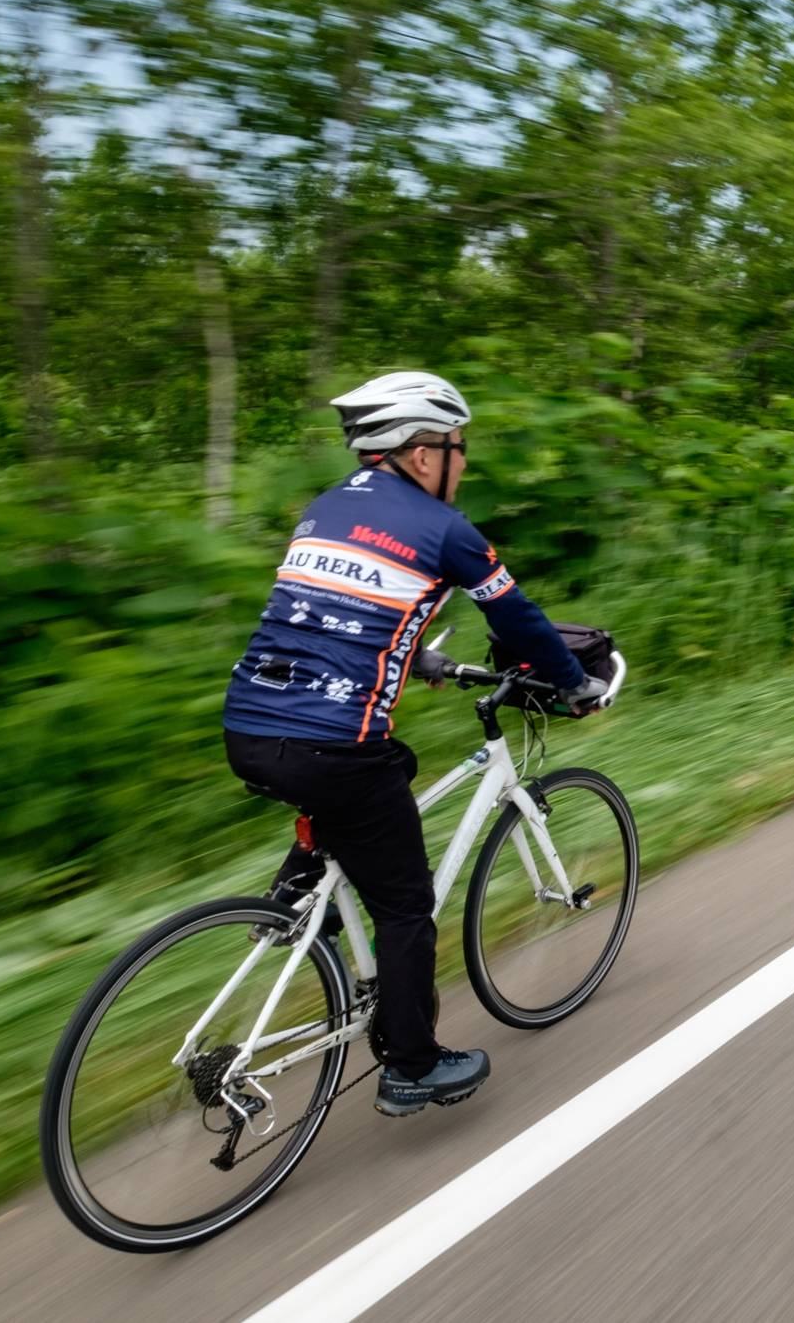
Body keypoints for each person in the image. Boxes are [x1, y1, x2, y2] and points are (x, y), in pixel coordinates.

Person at [222, 370, 608, 1118]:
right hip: (331, 744)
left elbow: (332, 616)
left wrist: (416, 657)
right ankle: (413, 1064)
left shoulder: (325, 508)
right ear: (423, 450)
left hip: (248, 724)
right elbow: (520, 622)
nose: (463, 463)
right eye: (459, 448)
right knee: (405, 903)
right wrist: (571, 685)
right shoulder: (445, 530)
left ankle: (301, 893)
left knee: (391, 765)